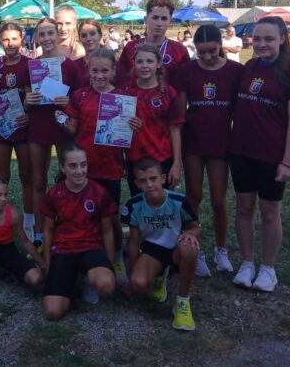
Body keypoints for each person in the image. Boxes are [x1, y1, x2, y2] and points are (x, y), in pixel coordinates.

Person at [229, 16, 290, 292]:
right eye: (257, 38)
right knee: (244, 207)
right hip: (241, 151)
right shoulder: (249, 67)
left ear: (282, 39)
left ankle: (268, 269)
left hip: (271, 154)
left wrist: (287, 161)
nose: (261, 44)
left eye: (269, 39)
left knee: (270, 211)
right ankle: (247, 263)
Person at [55, 48, 127, 285]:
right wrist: (62, 120)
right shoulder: (80, 96)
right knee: (84, 217)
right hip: (83, 170)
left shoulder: (122, 98)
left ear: (113, 71)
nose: (99, 75)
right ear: (88, 71)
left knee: (111, 217)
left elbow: (126, 135)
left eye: (104, 71)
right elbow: (72, 130)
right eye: (94, 71)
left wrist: (133, 126)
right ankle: (86, 261)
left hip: (110, 167)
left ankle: (116, 257)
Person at [177, 25, 243, 277]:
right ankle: (196, 248)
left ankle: (220, 248)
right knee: (193, 197)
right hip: (193, 142)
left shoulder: (235, 71)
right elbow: (180, 110)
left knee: (218, 200)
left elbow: (242, 109)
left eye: (211, 51)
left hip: (220, 143)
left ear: (220, 46)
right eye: (201, 52)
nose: (206, 57)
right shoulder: (187, 70)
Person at [121, 158, 201, 332]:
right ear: (136, 183)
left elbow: (195, 227)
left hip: (176, 247)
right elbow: (134, 244)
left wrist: (190, 234)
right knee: (139, 283)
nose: (149, 184)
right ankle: (159, 276)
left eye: (153, 179)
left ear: (163, 178)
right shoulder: (134, 205)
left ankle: (182, 302)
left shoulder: (179, 200)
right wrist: (131, 279)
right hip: (153, 251)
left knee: (190, 248)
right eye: (143, 181)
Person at [42, 142, 117, 320]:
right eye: (73, 166)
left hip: (91, 247)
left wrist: (109, 264)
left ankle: (89, 278)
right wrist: (48, 265)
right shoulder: (54, 194)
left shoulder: (99, 192)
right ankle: (71, 279)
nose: (79, 171)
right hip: (64, 249)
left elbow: (107, 231)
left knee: (106, 286)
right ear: (62, 167)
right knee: (53, 312)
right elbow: (48, 231)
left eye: (83, 165)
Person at [24, 18, 81, 250]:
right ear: (36, 37)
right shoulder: (32, 67)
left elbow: (80, 100)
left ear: (58, 35)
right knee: (39, 181)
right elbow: (27, 103)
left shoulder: (71, 67)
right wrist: (28, 101)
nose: (47, 38)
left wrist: (69, 103)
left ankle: (70, 228)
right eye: (42, 34)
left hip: (63, 127)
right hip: (39, 126)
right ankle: (39, 233)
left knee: (69, 179)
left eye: (50, 33)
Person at [0, 23, 34, 239]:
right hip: (1, 129)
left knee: (27, 176)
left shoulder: (31, 64)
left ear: (22, 39)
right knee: (1, 178)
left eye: (14, 38)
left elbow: (37, 97)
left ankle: (29, 221)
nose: (10, 43)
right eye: (5, 39)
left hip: (24, 127)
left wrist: (30, 114)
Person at [120, 43, 185, 195]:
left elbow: (175, 130)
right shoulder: (124, 91)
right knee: (140, 203)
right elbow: (118, 128)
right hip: (135, 159)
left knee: (161, 202)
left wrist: (176, 163)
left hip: (162, 158)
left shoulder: (168, 93)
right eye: (140, 61)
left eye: (149, 61)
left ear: (158, 64)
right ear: (134, 64)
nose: (144, 66)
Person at [116, 0, 190, 91]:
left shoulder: (180, 51)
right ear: (146, 20)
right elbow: (120, 81)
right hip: (134, 100)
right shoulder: (131, 47)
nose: (159, 23)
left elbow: (185, 88)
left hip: (168, 100)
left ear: (170, 22)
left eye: (164, 18)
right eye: (155, 17)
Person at [73, 19, 103, 84]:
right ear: (80, 39)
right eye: (84, 36)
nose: (88, 39)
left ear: (100, 35)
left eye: (92, 34)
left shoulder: (113, 64)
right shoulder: (74, 66)